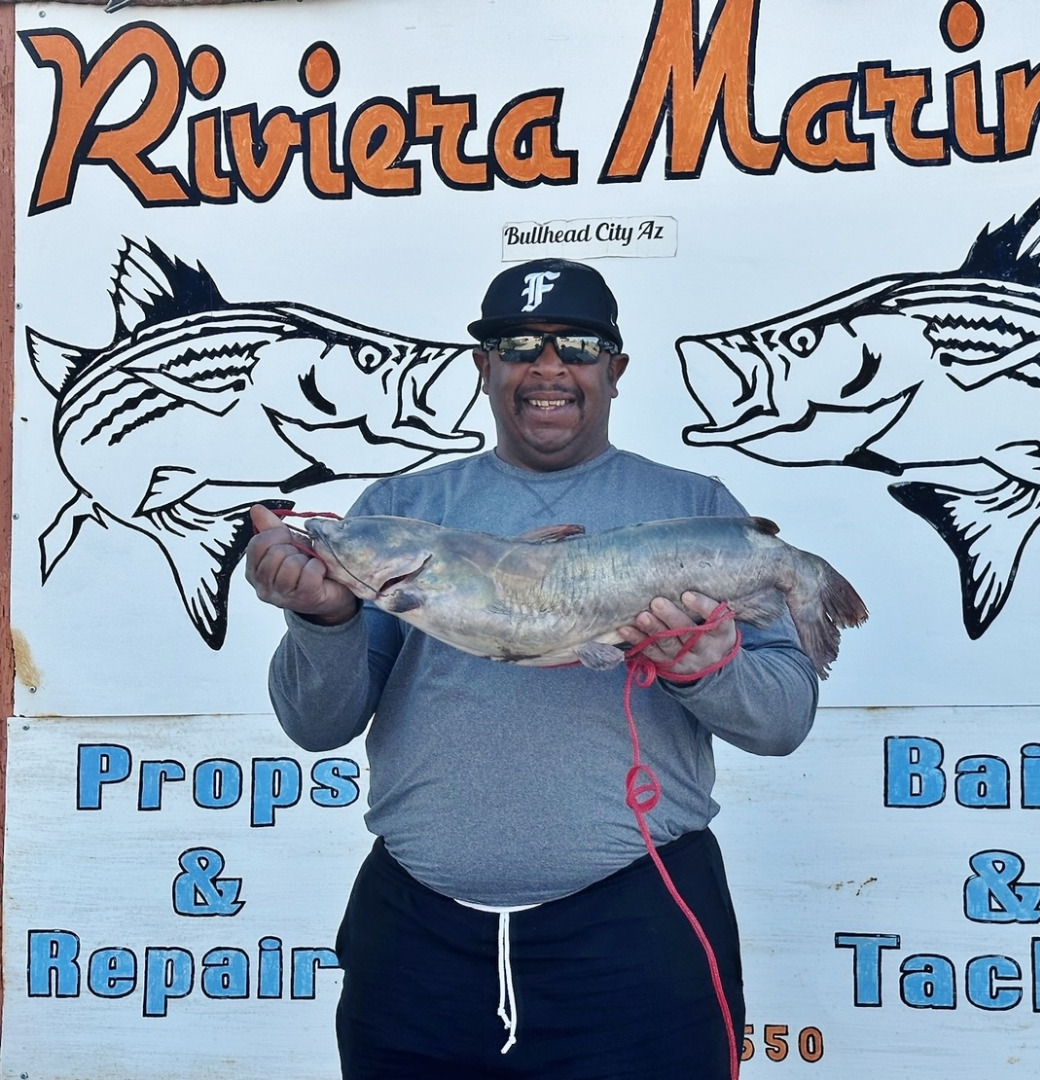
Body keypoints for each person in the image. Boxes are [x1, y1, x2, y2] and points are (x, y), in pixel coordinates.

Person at [245, 258, 820, 1080]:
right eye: (517, 345)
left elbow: (783, 720)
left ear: (615, 370)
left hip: (640, 925)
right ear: (483, 368)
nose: (548, 366)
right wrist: (320, 616)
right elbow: (318, 723)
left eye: (578, 346)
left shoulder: (698, 510)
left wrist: (710, 669)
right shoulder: (398, 517)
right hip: (417, 938)